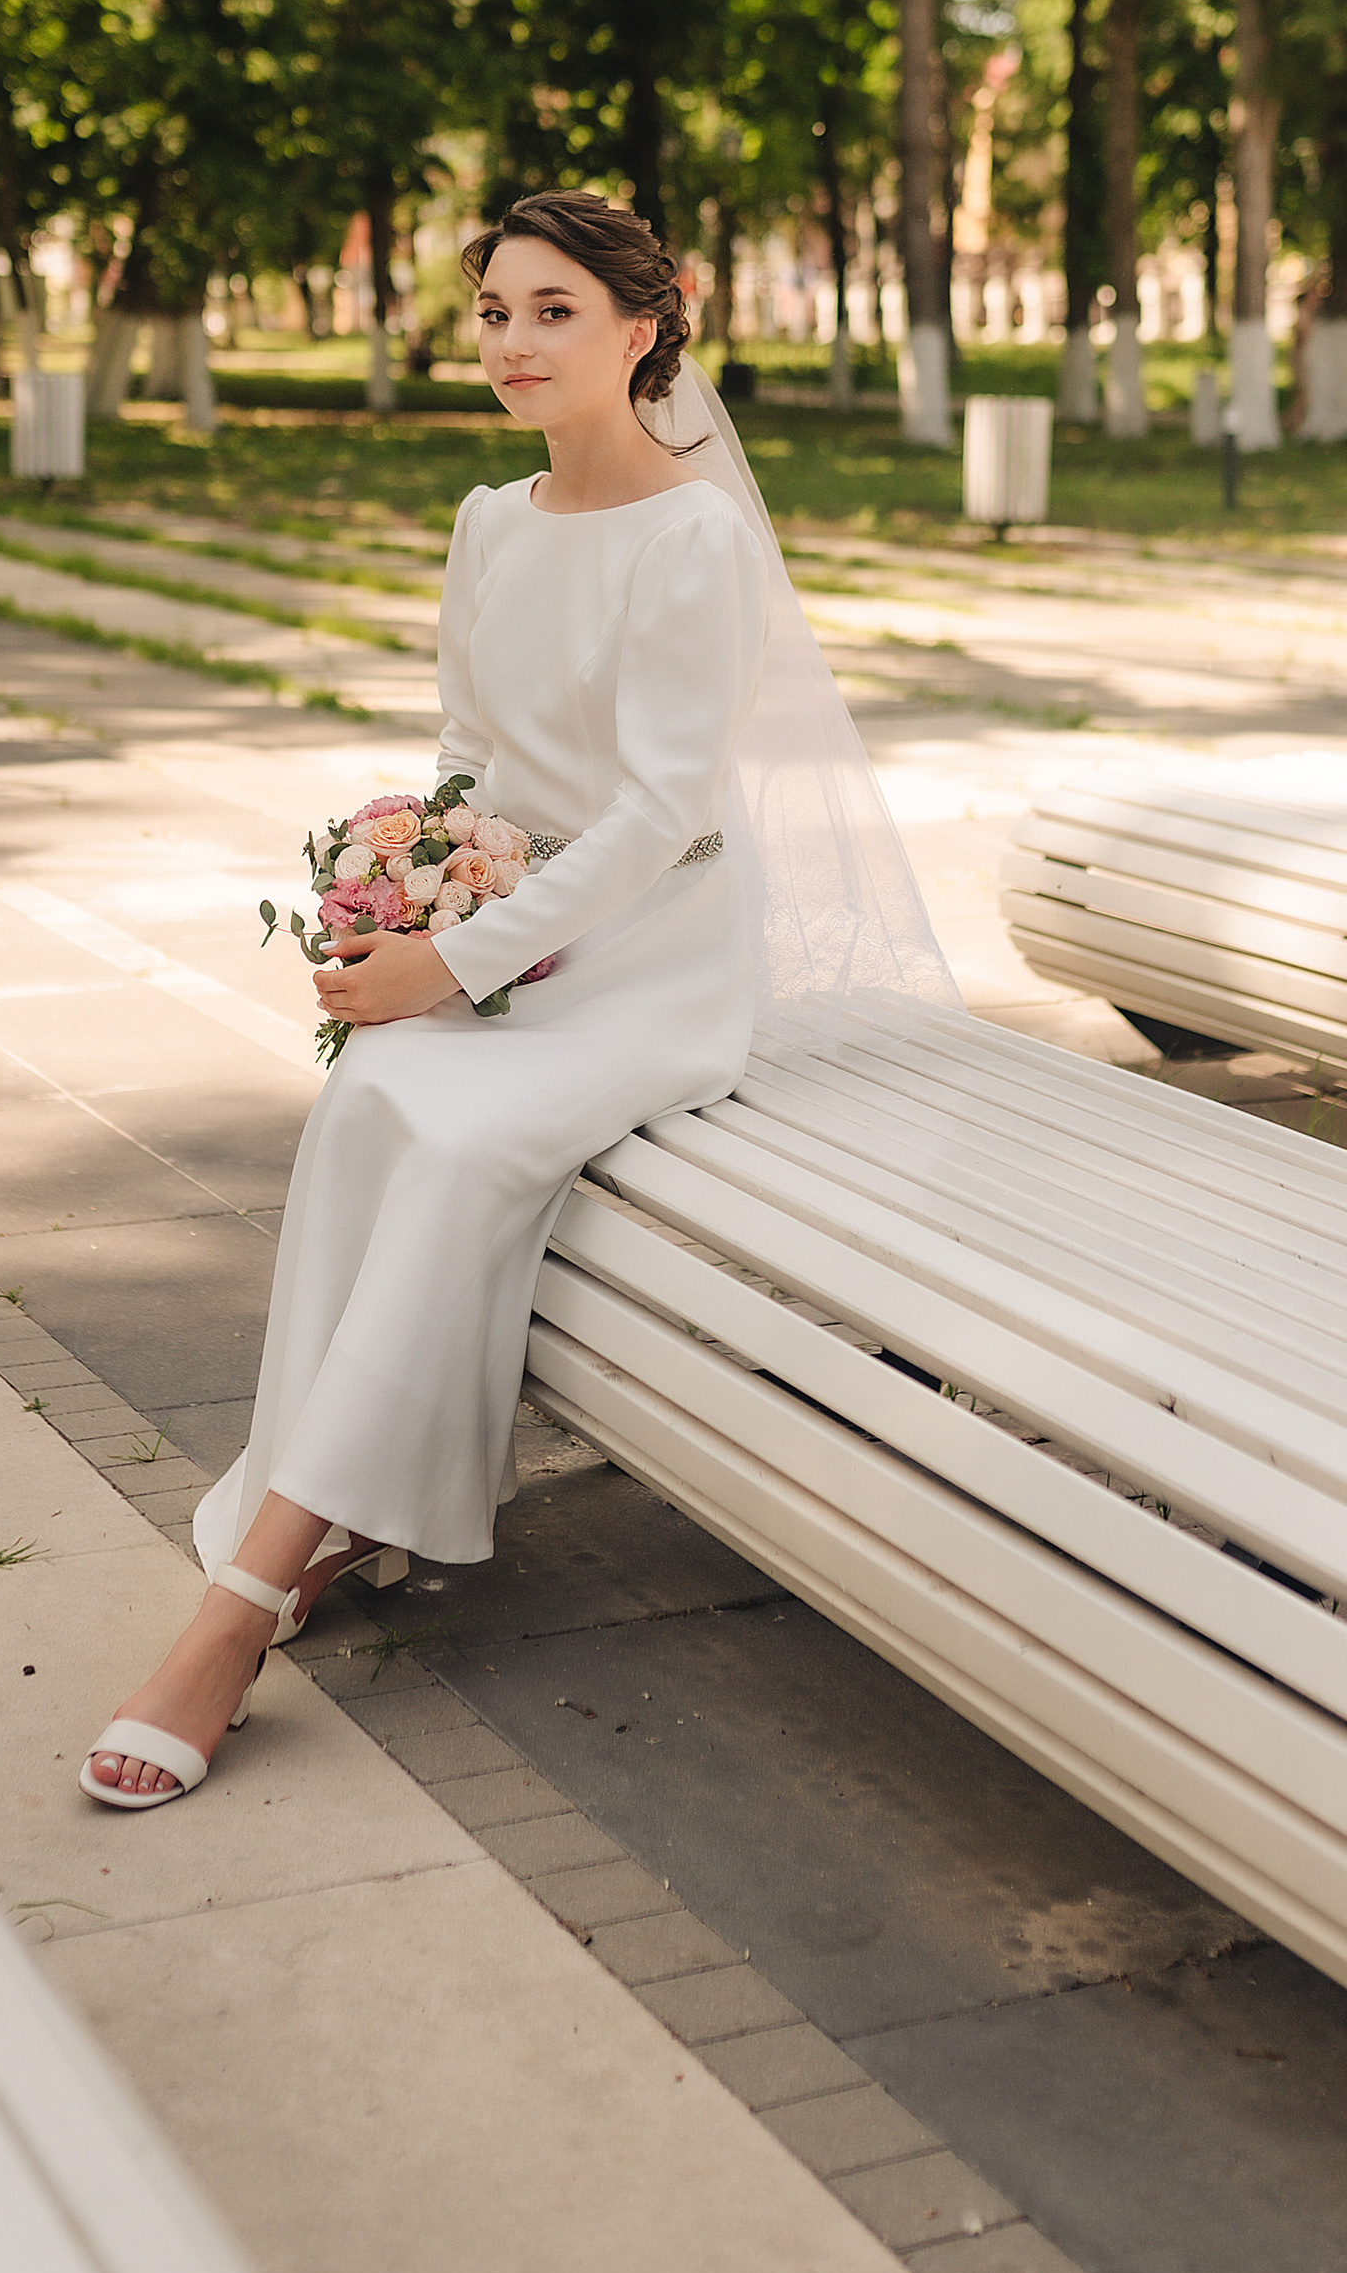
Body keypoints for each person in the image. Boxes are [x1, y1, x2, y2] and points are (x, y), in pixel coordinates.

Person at [82, 187, 954, 1808]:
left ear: (646, 327)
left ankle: (236, 1610)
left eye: (552, 311)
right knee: (373, 1099)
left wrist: (456, 959)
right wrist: (412, 883)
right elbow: (467, 758)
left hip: (654, 955)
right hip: (508, 926)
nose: (511, 342)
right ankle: (335, 1511)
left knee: (472, 1145)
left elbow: (659, 813)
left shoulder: (698, 536)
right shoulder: (492, 518)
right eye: (492, 312)